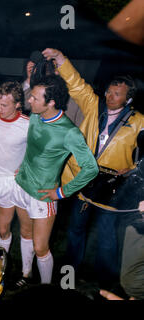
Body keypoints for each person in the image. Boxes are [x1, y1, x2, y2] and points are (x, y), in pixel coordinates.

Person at [42, 48, 144, 288]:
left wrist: (131, 170)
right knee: (76, 229)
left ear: (128, 99)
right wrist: (61, 59)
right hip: (86, 179)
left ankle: (105, 281)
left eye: (117, 94)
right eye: (109, 90)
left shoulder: (139, 121)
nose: (110, 96)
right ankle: (71, 273)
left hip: (114, 186)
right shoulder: (94, 105)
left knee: (107, 236)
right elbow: (77, 85)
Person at [9, 74, 98, 286]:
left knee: (41, 247)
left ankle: (47, 288)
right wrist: (24, 165)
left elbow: (91, 168)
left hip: (43, 195)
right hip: (22, 185)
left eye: (35, 98)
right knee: (25, 233)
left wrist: (62, 192)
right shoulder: (35, 116)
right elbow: (33, 148)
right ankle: (26, 274)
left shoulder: (69, 132)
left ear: (51, 103)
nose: (29, 100)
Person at [0, 81, 32, 273]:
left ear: (17, 104)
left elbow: (40, 150)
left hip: (8, 183)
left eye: (4, 105)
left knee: (2, 229)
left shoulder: (27, 125)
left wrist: (27, 166)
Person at [22, 51, 84, 126]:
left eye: (58, 66)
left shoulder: (77, 98)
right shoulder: (40, 89)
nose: (56, 71)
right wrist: (30, 79)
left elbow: (79, 131)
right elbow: (22, 104)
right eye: (52, 66)